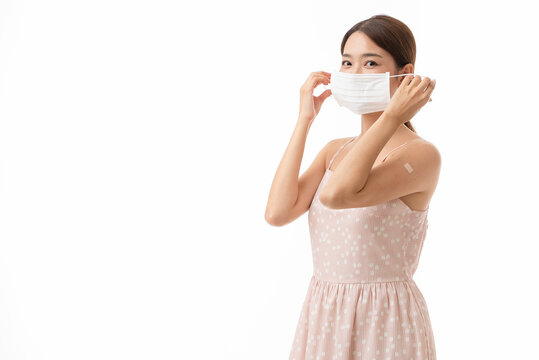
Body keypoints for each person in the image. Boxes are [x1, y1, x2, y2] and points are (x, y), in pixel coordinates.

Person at [264, 14, 440, 359]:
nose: (354, 73)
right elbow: (277, 212)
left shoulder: (420, 156)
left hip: (384, 319)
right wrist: (304, 120)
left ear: (404, 75)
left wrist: (391, 115)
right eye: (347, 62)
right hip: (325, 312)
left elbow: (337, 195)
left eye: (370, 63)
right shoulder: (336, 149)